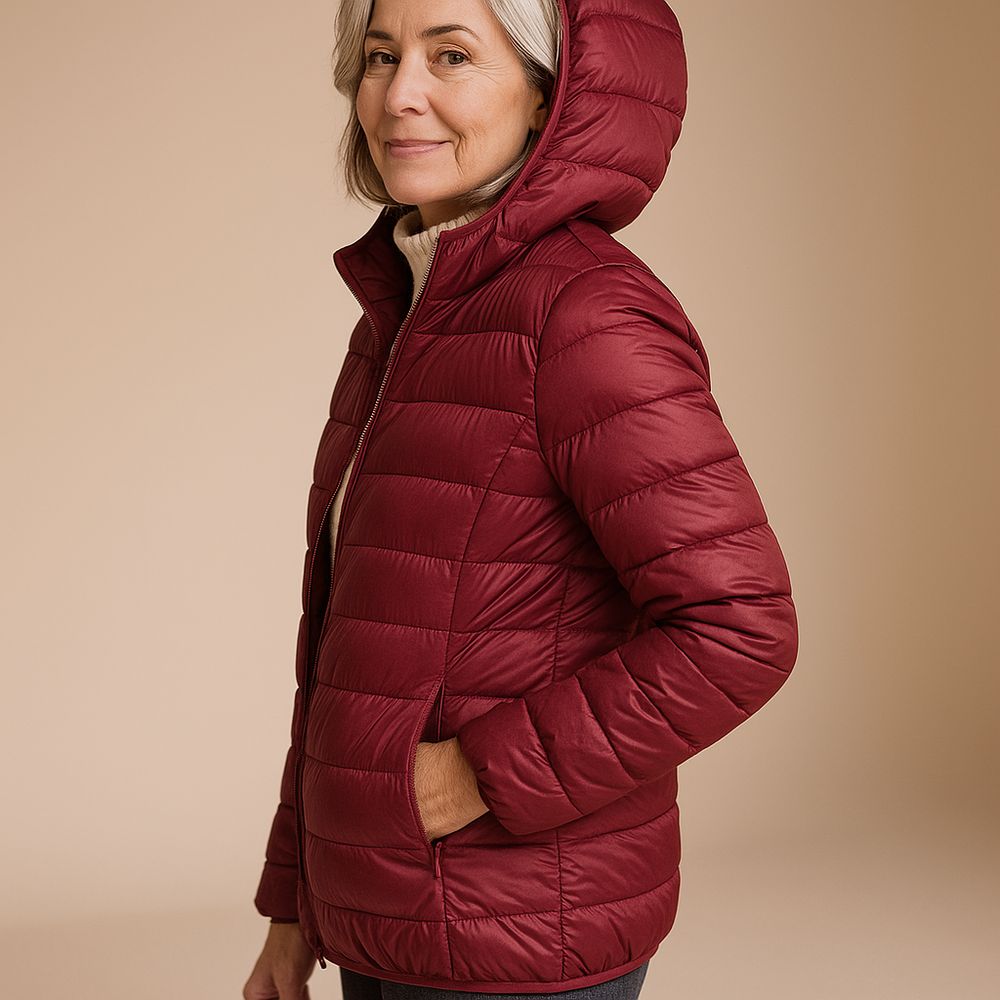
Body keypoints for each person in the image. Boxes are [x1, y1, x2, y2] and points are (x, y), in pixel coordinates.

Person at [244, 0, 797, 996]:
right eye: (381, 55)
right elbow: (345, 652)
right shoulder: (403, 313)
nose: (398, 94)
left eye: (452, 55)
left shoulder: (584, 314)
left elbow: (739, 626)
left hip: (516, 934)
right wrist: (295, 905)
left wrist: (476, 776)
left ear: (552, 95)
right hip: (381, 917)